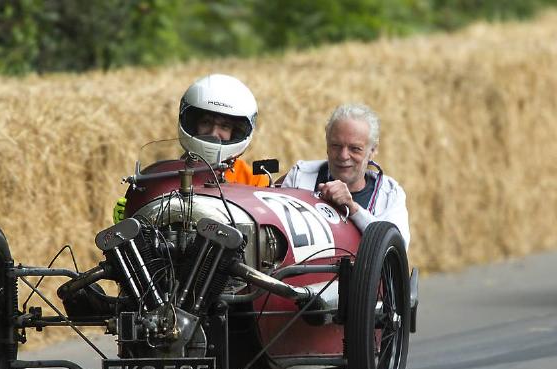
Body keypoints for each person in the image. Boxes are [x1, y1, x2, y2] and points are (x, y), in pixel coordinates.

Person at [113, 73, 268, 224]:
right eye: (206, 122)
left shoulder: (254, 180)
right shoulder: (166, 175)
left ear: (236, 132)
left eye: (224, 126)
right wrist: (131, 213)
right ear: (194, 124)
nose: (213, 133)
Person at [281, 103, 410, 249]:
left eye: (355, 149)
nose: (343, 156)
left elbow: (397, 247)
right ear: (327, 144)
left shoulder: (390, 194)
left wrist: (353, 209)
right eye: (336, 145)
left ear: (372, 150)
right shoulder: (300, 177)